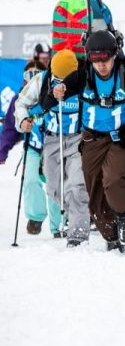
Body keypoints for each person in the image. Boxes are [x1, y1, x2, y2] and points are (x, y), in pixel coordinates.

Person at [46, 31, 125, 251]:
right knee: (94, 192)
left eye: (105, 59)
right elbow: (50, 99)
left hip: (121, 137)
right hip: (91, 139)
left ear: (114, 54)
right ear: (89, 58)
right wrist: (57, 91)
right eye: (96, 59)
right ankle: (111, 233)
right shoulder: (83, 75)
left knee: (113, 178)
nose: (101, 65)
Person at [17, 50, 89, 247]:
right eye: (58, 78)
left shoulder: (85, 79)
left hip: (78, 138)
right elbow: (21, 102)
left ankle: (78, 232)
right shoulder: (42, 80)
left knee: (77, 184)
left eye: (66, 78)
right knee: (53, 188)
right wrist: (22, 120)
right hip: (52, 139)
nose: (61, 83)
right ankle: (76, 211)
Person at [2, 61, 61, 237]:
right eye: (28, 75)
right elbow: (10, 128)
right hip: (33, 147)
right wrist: (2, 150)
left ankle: (58, 224)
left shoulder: (53, 94)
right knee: (30, 180)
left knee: (54, 183)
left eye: (35, 75)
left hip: (54, 146)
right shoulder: (20, 99)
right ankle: (36, 216)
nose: (31, 79)